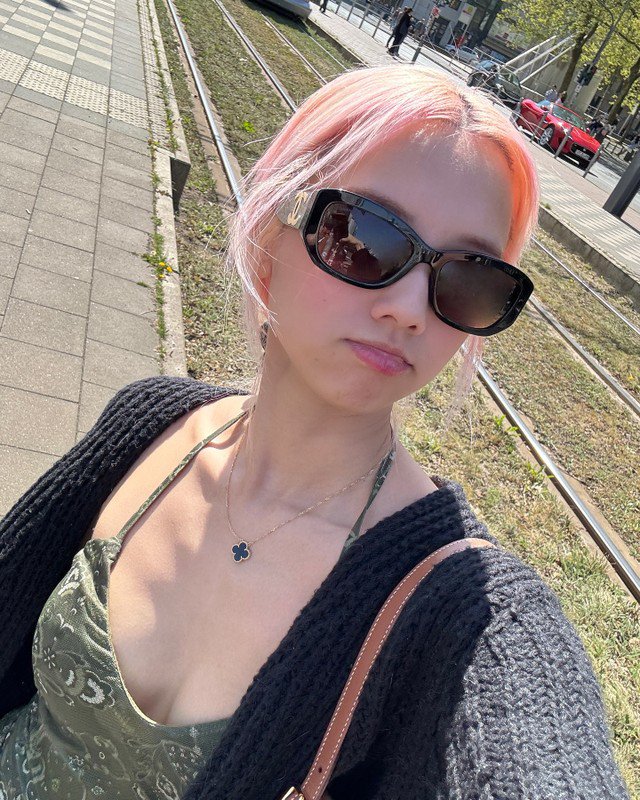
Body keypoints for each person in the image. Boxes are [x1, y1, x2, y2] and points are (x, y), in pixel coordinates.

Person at [0, 66, 630, 800]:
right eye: (364, 237)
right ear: (275, 222)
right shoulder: (147, 427)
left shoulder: (466, 612)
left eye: (469, 279)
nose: (409, 309)